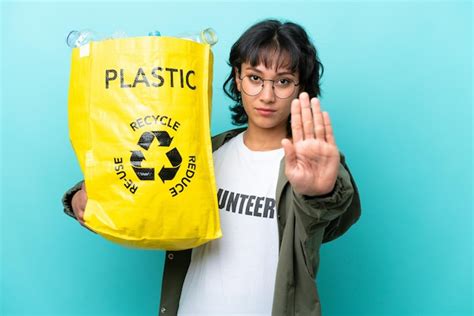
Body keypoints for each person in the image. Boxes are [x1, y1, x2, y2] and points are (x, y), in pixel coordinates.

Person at [62, 19, 361, 316]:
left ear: (300, 86)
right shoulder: (205, 153)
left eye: (283, 81)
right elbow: (141, 190)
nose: (267, 95)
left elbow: (336, 214)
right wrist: (79, 196)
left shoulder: (309, 165)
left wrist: (319, 194)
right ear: (238, 77)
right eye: (255, 77)